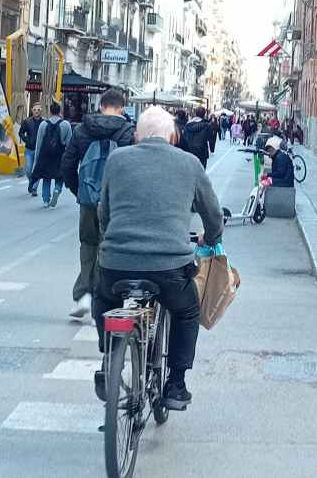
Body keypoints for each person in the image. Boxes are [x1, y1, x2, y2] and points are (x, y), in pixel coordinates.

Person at [93, 106, 224, 410]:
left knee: (103, 296)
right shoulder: (189, 163)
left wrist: (110, 241)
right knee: (187, 311)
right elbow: (213, 213)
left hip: (117, 263)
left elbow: (104, 211)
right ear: (173, 136)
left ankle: (109, 356)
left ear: (137, 136)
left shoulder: (117, 160)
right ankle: (176, 384)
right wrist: (212, 238)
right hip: (170, 267)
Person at [60, 88, 134, 321]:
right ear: (122, 108)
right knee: (108, 248)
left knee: (88, 244)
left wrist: (79, 190)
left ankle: (84, 295)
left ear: (101, 106)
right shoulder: (128, 132)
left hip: (88, 198)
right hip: (115, 200)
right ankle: (100, 301)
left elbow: (67, 164)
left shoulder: (82, 130)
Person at [32, 101, 72, 207]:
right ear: (60, 111)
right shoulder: (66, 125)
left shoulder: (43, 124)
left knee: (46, 177)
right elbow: (69, 144)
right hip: (60, 155)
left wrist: (36, 160)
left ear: (50, 111)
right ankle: (57, 190)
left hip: (45, 156)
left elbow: (39, 143)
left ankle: (46, 200)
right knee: (60, 176)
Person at [19, 103, 43, 196]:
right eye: (35, 109)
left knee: (37, 170)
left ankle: (34, 189)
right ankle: (31, 181)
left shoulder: (44, 122)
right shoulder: (27, 121)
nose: (36, 111)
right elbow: (21, 132)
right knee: (28, 170)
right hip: (29, 149)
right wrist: (26, 140)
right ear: (32, 110)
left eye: (38, 110)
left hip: (40, 150)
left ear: (41, 111)